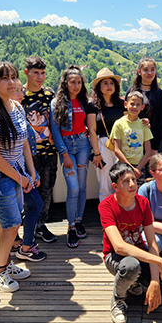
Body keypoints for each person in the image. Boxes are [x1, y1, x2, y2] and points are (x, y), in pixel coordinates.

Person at [99, 162, 162, 323]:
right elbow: (119, 246)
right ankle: (118, 300)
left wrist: (155, 280)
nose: (132, 184)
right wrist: (159, 261)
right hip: (115, 257)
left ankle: (134, 283)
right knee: (131, 266)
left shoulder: (143, 203)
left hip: (140, 252)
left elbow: (152, 242)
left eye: (133, 179)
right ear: (115, 186)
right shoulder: (106, 206)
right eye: (125, 181)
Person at [0, 62, 32, 292]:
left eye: (13, 77)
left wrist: (30, 172)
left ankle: (6, 264)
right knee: (12, 224)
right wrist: (21, 178)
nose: (11, 82)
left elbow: (25, 144)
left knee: (9, 223)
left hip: (17, 173)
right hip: (0, 177)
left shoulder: (17, 107)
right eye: (4, 78)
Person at [50, 65, 91, 248]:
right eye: (73, 82)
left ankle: (79, 220)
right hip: (67, 147)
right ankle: (71, 227)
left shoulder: (84, 101)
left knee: (82, 187)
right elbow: (56, 131)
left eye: (79, 82)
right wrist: (64, 154)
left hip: (83, 144)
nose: (76, 85)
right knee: (73, 188)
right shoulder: (56, 103)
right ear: (65, 83)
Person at [9, 79, 47, 262]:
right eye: (16, 90)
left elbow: (25, 145)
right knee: (33, 205)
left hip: (22, 170)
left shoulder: (18, 112)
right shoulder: (5, 115)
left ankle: (17, 243)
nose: (21, 94)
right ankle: (25, 247)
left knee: (22, 209)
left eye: (20, 90)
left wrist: (33, 173)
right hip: (12, 173)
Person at [22, 56, 57, 243]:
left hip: (50, 151)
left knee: (47, 189)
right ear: (26, 72)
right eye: (36, 73)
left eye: (43, 73)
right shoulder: (20, 95)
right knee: (30, 190)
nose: (40, 77)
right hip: (29, 153)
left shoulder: (49, 94)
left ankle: (41, 226)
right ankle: (29, 226)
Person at [87, 68, 125, 202]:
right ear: (99, 87)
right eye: (105, 83)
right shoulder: (93, 106)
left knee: (122, 179)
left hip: (121, 145)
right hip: (103, 145)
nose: (109, 86)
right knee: (105, 182)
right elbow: (92, 130)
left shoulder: (121, 104)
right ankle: (106, 216)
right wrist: (97, 154)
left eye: (111, 83)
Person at [126, 56, 162, 154]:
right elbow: (125, 115)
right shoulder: (131, 91)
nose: (150, 73)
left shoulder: (159, 94)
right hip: (134, 140)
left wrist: (154, 146)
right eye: (146, 70)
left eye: (152, 69)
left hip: (154, 141)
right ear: (139, 72)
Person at [110, 91, 153, 186]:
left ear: (142, 107)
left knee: (138, 192)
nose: (134, 107)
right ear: (126, 104)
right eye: (132, 104)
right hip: (123, 166)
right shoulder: (119, 124)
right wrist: (131, 169)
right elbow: (117, 150)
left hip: (140, 166)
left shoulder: (143, 124)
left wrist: (138, 169)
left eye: (138, 105)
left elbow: (148, 151)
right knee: (124, 192)